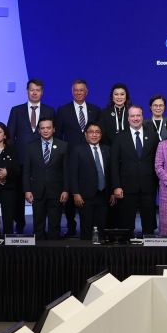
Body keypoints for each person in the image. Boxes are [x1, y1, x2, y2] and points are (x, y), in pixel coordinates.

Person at [6, 79, 55, 234]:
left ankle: (43, 229)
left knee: (43, 196)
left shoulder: (50, 110)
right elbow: (9, 137)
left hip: (44, 162)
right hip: (21, 161)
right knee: (19, 197)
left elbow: (55, 135)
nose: (35, 93)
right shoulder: (16, 110)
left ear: (43, 92)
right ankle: (19, 225)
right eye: (32, 90)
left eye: (38, 90)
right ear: (27, 91)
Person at [56, 79, 102, 237]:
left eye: (81, 90)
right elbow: (58, 136)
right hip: (70, 157)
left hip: (91, 157)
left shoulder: (95, 110)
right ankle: (70, 226)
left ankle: (94, 228)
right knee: (71, 192)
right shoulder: (62, 111)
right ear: (72, 92)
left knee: (91, 190)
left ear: (86, 92)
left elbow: (98, 133)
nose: (78, 93)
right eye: (75, 90)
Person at [111, 106, 160, 235]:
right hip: (126, 187)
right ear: (128, 118)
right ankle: (126, 252)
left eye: (138, 115)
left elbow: (159, 160)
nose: (135, 118)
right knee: (126, 224)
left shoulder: (153, 136)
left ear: (142, 117)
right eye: (132, 116)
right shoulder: (119, 137)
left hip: (148, 185)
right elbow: (114, 163)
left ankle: (149, 253)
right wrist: (116, 186)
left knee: (149, 223)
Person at [23, 117, 68, 240]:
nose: (45, 130)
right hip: (37, 191)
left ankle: (54, 251)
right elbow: (26, 171)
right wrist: (27, 190)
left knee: (55, 224)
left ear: (54, 129)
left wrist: (65, 190)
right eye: (42, 128)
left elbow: (66, 171)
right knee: (38, 224)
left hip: (57, 190)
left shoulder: (63, 146)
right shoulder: (31, 146)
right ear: (39, 130)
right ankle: (38, 253)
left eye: (48, 128)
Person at [70, 122, 114, 241]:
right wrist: (75, 193)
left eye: (97, 132)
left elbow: (111, 173)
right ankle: (86, 253)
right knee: (86, 226)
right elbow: (73, 173)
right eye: (91, 132)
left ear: (101, 135)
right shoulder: (77, 150)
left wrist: (112, 192)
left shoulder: (107, 150)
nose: (94, 135)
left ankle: (100, 253)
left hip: (103, 195)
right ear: (86, 134)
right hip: (85, 196)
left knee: (101, 226)